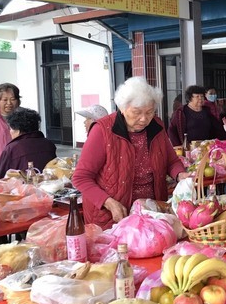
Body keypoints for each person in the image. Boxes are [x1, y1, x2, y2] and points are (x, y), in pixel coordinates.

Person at [73, 76, 189, 229]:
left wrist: (180, 174)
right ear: (122, 107)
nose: (143, 119)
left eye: (149, 112)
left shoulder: (157, 126)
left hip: (151, 213)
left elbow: (171, 161)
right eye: (136, 112)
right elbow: (81, 178)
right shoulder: (102, 130)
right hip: (113, 216)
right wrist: (108, 202)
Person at [0, 108, 57, 180]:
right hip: (50, 187)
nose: (9, 132)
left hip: (22, 189)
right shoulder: (49, 144)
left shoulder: (12, 148)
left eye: (10, 129)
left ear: (18, 131)